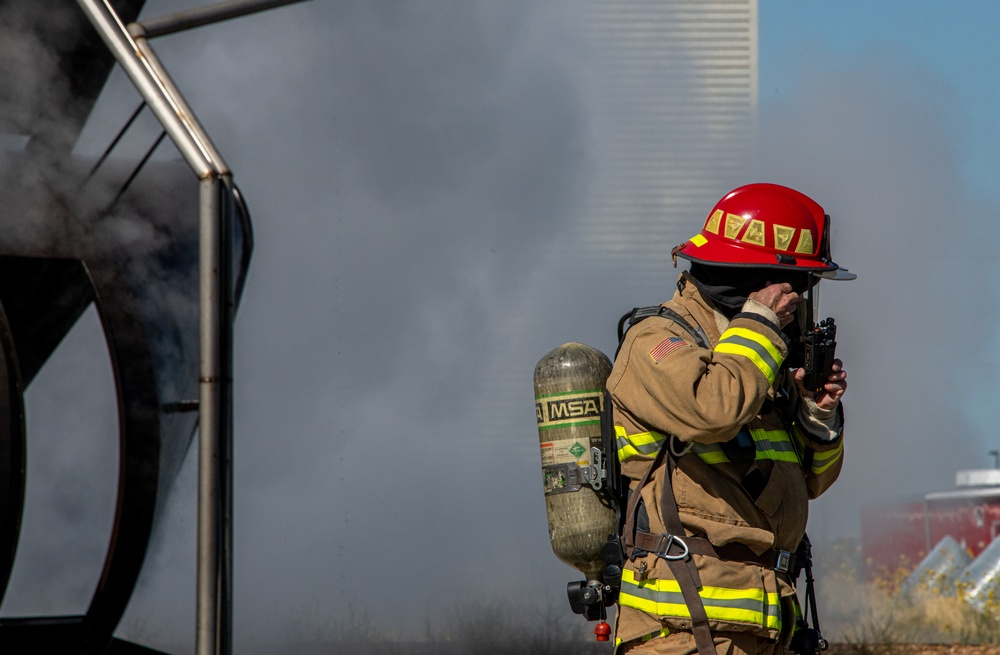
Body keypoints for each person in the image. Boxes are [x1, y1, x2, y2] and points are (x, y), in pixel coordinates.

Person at [607, 183, 855, 655]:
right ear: (760, 283)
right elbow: (712, 412)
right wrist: (760, 324)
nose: (800, 305)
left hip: (763, 627)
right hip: (683, 631)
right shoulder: (657, 341)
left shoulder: (752, 364)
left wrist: (818, 415)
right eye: (797, 289)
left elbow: (812, 483)